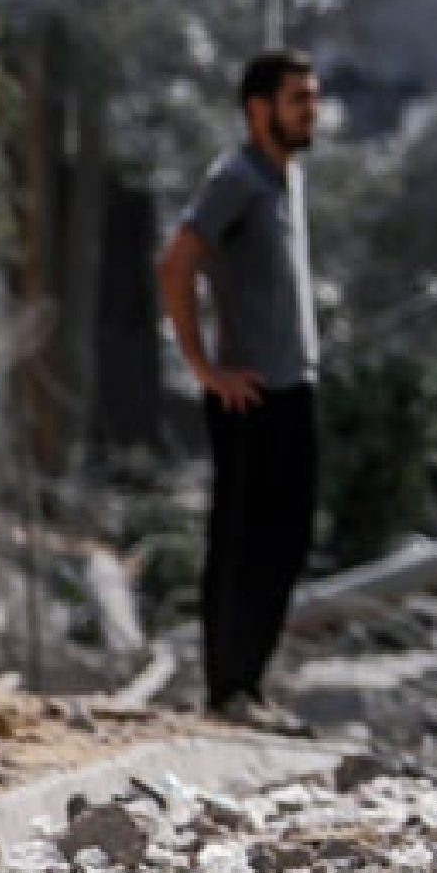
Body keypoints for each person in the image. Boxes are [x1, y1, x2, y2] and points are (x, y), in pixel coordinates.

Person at [157, 50, 325, 733]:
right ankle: (227, 687)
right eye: (297, 99)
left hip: (294, 385)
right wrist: (204, 367)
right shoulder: (236, 179)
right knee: (242, 537)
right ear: (259, 109)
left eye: (313, 98)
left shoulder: (287, 179)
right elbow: (177, 264)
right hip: (248, 393)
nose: (311, 112)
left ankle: (249, 684)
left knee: (286, 539)